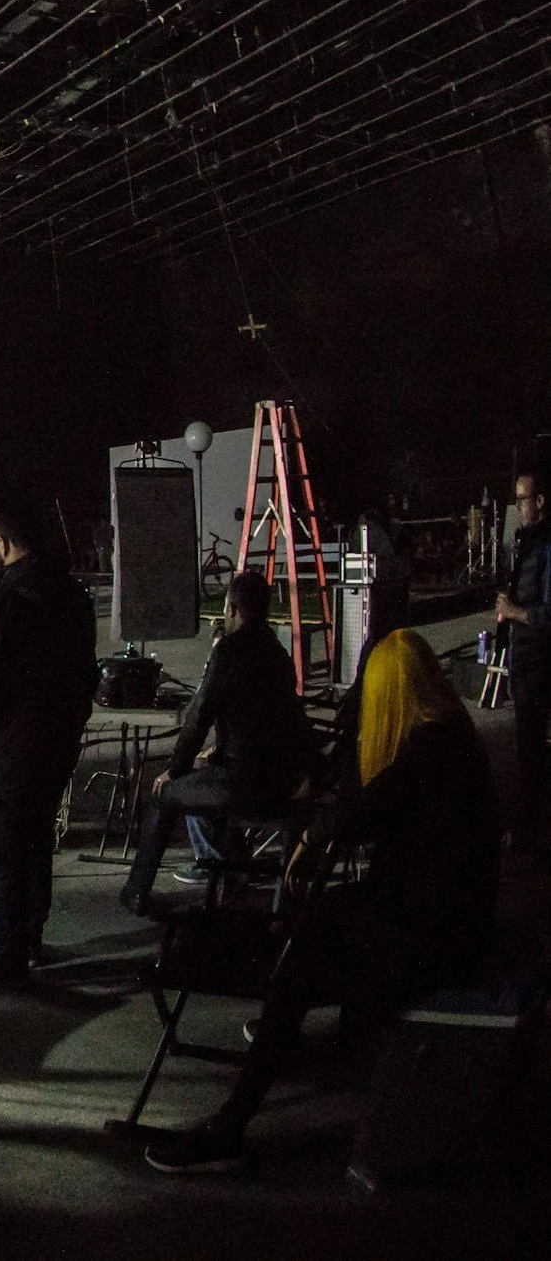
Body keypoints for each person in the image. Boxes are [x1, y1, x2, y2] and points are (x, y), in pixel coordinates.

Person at [145, 629, 500, 1173]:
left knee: (303, 954)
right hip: (446, 918)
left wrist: (311, 839)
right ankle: (295, 1028)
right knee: (317, 929)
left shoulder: (430, 748)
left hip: (432, 933)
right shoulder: (451, 737)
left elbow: (364, 808)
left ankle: (233, 1123)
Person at [0, 497, 97, 987]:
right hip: (53, 748)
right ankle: (29, 938)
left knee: (4, 857)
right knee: (35, 847)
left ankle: (8, 957)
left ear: (3, 541)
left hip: (4, 758)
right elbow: (85, 676)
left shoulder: (4, 602)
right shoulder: (73, 596)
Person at [120, 570, 308, 915]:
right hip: (280, 782)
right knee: (204, 771)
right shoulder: (279, 654)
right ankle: (229, 870)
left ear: (233, 609)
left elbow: (198, 717)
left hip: (243, 784)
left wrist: (174, 770)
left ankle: (136, 893)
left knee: (166, 794)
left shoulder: (229, 652)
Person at [493, 462, 551, 851]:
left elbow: (548, 612)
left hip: (538, 660)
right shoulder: (525, 539)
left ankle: (531, 833)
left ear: (540, 500)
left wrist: (514, 611)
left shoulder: (547, 545)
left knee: (531, 749)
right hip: (521, 658)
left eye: (522, 499)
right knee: (525, 747)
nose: (518, 507)